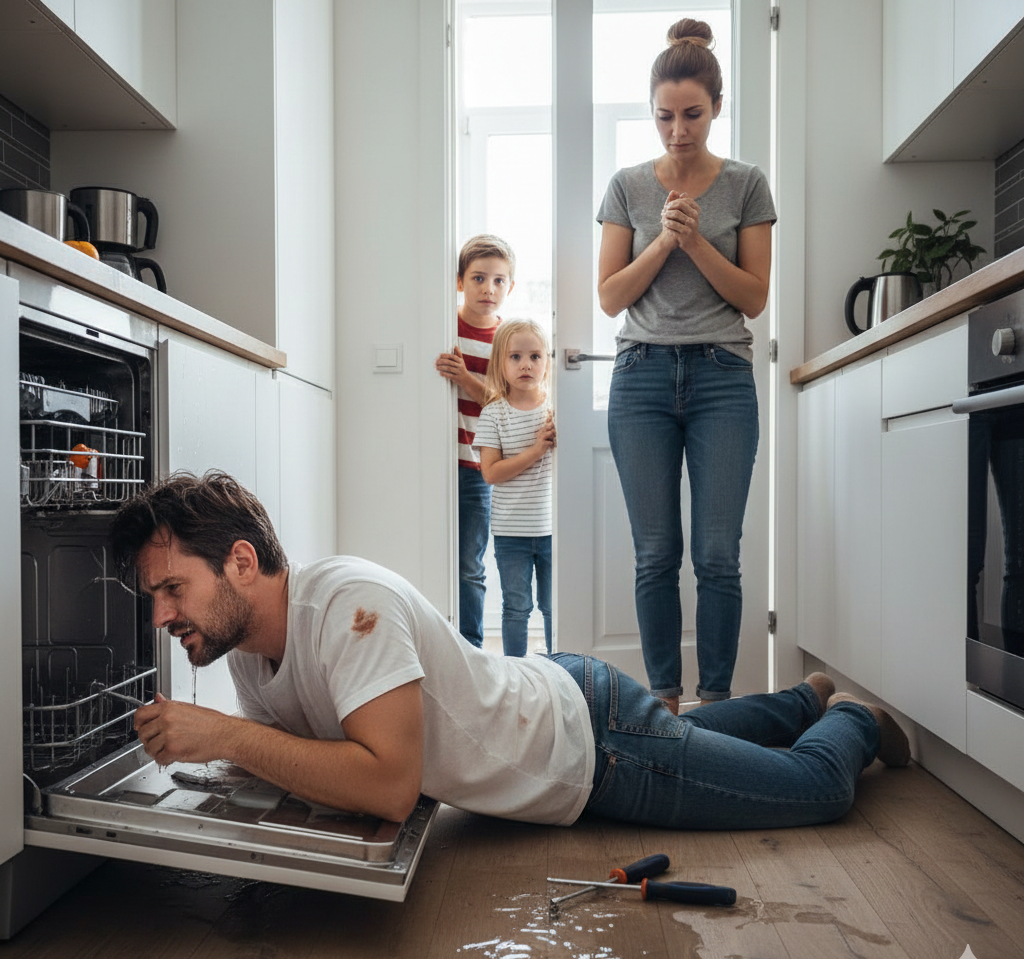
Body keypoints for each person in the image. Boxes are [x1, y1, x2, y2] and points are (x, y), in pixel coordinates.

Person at [113, 471, 910, 832]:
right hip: (565, 702)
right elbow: (297, 760)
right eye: (155, 597)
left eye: (173, 588)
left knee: (811, 789)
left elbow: (389, 787)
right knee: (688, 740)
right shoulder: (248, 649)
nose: (161, 616)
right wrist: (220, 756)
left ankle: (852, 719)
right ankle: (800, 701)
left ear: (241, 563)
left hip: (593, 750)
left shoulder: (350, 608)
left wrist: (224, 736)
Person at [597, 19, 777, 712]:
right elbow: (610, 296)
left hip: (721, 378)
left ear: (716, 107)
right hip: (640, 377)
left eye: (693, 115)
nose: (678, 130)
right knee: (655, 555)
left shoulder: (747, 185)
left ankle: (718, 708)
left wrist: (698, 241)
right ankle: (665, 708)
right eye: (665, 116)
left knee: (718, 555)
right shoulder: (626, 187)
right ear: (652, 111)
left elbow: (754, 299)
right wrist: (664, 242)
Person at [435, 234, 517, 649]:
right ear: (459, 281)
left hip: (475, 468)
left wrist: (465, 377)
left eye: (499, 280)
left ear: (510, 287)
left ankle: (471, 649)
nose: (489, 289)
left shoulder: (506, 341)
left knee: (470, 564)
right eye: (479, 278)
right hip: (436, 460)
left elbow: (505, 403)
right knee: (433, 552)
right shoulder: (442, 325)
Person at [474, 318, 556, 657]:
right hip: (511, 532)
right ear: (500, 363)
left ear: (547, 361)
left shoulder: (555, 410)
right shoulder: (494, 414)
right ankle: (515, 673)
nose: (526, 365)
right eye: (516, 357)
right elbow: (491, 473)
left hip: (552, 530)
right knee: (516, 607)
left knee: (554, 606)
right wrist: (536, 451)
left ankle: (559, 668)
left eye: (535, 356)